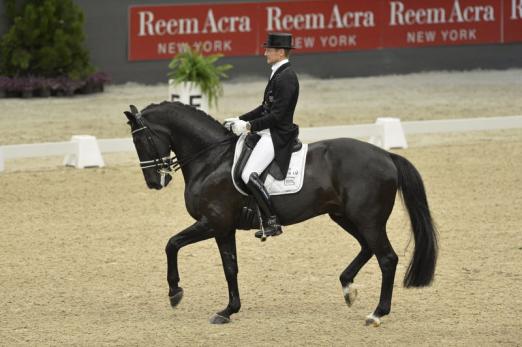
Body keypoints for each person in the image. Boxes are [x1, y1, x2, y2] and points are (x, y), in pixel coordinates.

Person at [226, 32, 300, 239]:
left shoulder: (287, 77)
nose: (265, 52)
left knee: (248, 174)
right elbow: (264, 107)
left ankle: (272, 221)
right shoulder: (278, 72)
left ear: (280, 52)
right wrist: (239, 119)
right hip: (268, 131)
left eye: (269, 49)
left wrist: (249, 126)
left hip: (277, 135)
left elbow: (276, 116)